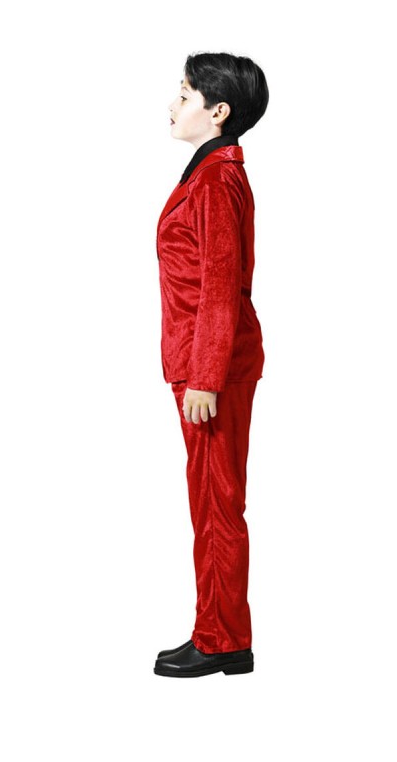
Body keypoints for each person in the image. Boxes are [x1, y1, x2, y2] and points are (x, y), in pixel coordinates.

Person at [153, 52, 269, 678]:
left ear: (218, 111)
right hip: (202, 362)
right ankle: (220, 632)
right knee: (210, 502)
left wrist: (204, 378)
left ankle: (223, 639)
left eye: (185, 94)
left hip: (211, 371)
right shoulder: (207, 174)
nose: (173, 105)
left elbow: (221, 286)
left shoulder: (217, 180)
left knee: (217, 504)